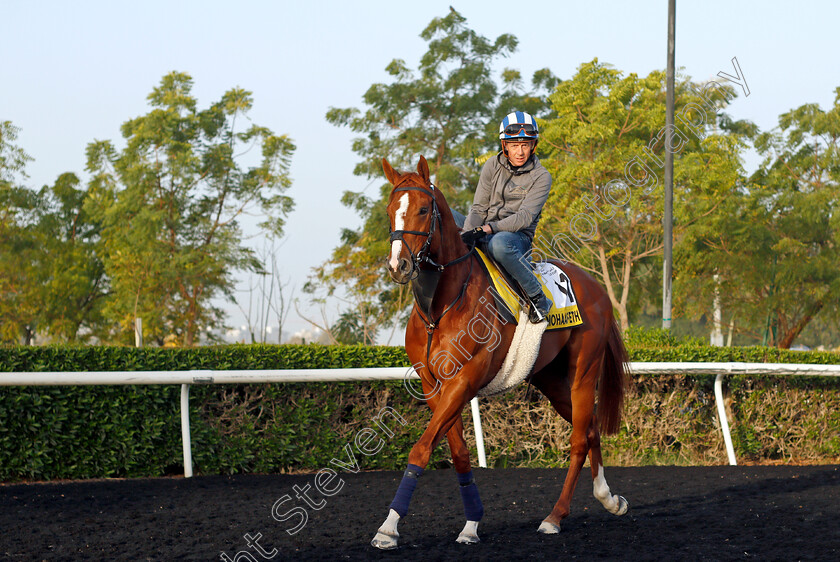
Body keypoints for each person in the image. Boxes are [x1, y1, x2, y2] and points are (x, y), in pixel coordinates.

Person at [461, 111, 553, 324]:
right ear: (505, 146)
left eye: (525, 145)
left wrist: (488, 229)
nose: (520, 152)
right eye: (514, 145)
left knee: (499, 245)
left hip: (515, 238)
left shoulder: (542, 177)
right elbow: (478, 208)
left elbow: (524, 218)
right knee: (444, 219)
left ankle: (538, 298)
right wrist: (465, 235)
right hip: (485, 229)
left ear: (533, 146)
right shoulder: (491, 165)